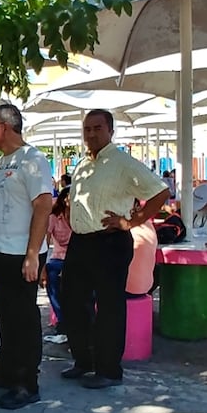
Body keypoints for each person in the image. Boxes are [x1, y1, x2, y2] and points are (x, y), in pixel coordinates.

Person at [61, 110, 169, 389]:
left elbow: (160, 192)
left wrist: (131, 221)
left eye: (97, 128)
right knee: (73, 302)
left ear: (110, 130)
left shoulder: (123, 162)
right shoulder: (83, 163)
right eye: (87, 129)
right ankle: (83, 361)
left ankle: (108, 370)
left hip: (109, 242)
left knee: (109, 307)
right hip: (80, 241)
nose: (91, 134)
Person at [0, 104, 52, 410]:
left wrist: (33, 254)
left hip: (23, 253)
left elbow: (44, 205)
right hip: (0, 253)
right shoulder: (1, 162)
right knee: (5, 315)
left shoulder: (32, 159)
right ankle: (5, 370)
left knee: (23, 318)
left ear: (5, 127)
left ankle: (26, 383)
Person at [43, 188, 72, 345]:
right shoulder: (54, 217)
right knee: (52, 274)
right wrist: (41, 267)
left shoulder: (81, 217)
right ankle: (63, 324)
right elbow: (45, 242)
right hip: (59, 259)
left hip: (77, 260)